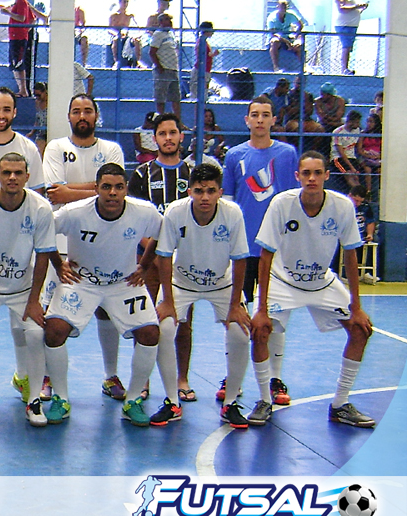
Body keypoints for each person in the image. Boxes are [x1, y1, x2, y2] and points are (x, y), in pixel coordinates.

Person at [247, 151, 375, 428]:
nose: (312, 178)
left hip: (321, 281)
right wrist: (261, 308)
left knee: (360, 330)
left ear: (327, 176)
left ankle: (340, 404)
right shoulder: (282, 203)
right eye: (306, 173)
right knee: (260, 330)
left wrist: (357, 306)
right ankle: (264, 400)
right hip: (283, 280)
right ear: (298, 177)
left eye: (318, 173)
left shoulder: (342, 206)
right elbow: (265, 255)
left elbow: (351, 254)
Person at [43, 162, 162, 427]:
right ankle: (61, 398)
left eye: (118, 187)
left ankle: (133, 400)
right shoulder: (74, 212)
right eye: (106, 187)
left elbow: (160, 235)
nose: (112, 193)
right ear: (96, 188)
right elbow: (44, 232)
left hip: (123, 283)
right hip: (82, 281)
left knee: (150, 333)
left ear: (126, 189)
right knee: (54, 330)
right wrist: (58, 264)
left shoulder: (144, 211)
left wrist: (144, 265)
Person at [40, 94, 127, 402]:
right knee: (52, 314)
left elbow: (113, 193)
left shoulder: (112, 149)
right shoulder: (56, 148)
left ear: (95, 115)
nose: (82, 116)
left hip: (105, 244)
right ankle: (46, 376)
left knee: (106, 310)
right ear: (68, 116)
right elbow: (55, 193)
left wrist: (71, 190)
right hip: (64, 245)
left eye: (87, 111)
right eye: (76, 110)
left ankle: (110, 375)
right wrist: (95, 189)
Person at [154, 163, 251, 427]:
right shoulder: (175, 212)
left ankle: (230, 402)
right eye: (199, 191)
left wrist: (235, 305)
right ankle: (172, 401)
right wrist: (168, 302)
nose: (205, 197)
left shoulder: (233, 214)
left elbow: (240, 259)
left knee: (240, 333)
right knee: (164, 330)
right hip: (181, 282)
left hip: (222, 283)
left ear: (220, 192)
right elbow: (163, 256)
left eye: (210, 191)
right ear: (189, 192)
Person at [0, 153, 56, 426]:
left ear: (27, 176)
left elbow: (43, 255)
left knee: (35, 334)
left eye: (18, 173)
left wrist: (34, 300)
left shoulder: (41, 208)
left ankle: (34, 400)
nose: (12, 177)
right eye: (6, 172)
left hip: (23, 289)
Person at [221, 95, 299, 405]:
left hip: (276, 250)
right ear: (247, 120)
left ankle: (275, 379)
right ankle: (234, 378)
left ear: (273, 120)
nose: (260, 120)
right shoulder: (234, 155)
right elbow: (227, 203)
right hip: (242, 249)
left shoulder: (287, 154)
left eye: (266, 114)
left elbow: (292, 201)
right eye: (255, 114)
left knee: (275, 316)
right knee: (238, 315)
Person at [127, 113, 194, 401]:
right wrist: (154, 254)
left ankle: (182, 379)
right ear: (154, 139)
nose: (168, 138)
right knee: (145, 320)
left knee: (183, 322)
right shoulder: (143, 174)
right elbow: (133, 220)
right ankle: (142, 380)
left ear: (181, 136)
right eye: (162, 134)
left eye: (172, 133)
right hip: (148, 261)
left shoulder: (192, 173)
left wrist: (176, 255)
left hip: (183, 262)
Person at [0, 0, 46, 97]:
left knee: (18, 63)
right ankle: (21, 89)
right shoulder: (19, 3)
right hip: (15, 37)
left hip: (18, 38)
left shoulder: (22, 2)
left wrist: (9, 13)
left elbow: (22, 18)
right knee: (15, 64)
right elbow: (32, 19)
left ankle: (23, 90)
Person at [149, 13, 180, 118]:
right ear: (161, 22)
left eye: (170, 19)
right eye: (167, 19)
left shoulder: (171, 34)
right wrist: (159, 66)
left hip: (173, 69)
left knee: (176, 97)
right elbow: (152, 52)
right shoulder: (158, 34)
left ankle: (177, 121)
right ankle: (161, 119)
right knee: (161, 97)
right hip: (163, 69)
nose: (170, 22)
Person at [331, 110, 363, 191]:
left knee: (355, 177)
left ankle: (361, 194)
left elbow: (359, 147)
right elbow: (341, 153)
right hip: (339, 158)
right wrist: (352, 167)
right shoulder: (338, 132)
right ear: (350, 122)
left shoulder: (358, 130)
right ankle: (358, 193)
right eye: (357, 122)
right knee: (349, 174)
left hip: (352, 157)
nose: (358, 124)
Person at [267, 0, 302, 73]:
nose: (283, 9)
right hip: (277, 39)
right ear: (277, 7)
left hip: (288, 38)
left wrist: (296, 36)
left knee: (299, 45)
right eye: (281, 7)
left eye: (285, 7)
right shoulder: (272, 17)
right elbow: (273, 33)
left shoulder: (291, 15)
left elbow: (300, 25)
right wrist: (287, 42)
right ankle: (276, 68)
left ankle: (303, 68)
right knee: (275, 42)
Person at [335, 0, 369, 75]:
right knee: (346, 47)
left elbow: (352, 11)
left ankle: (346, 68)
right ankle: (344, 69)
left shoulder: (352, 1)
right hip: (345, 25)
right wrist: (357, 6)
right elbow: (342, 9)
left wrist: (361, 9)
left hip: (352, 25)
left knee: (349, 47)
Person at [190, 21, 219, 102]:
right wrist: (213, 54)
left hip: (205, 69)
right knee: (197, 94)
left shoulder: (203, 42)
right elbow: (201, 56)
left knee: (203, 92)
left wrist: (212, 55)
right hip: (201, 70)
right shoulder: (201, 42)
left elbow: (205, 55)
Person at [109, 0, 142, 68]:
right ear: (120, 2)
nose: (125, 3)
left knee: (137, 41)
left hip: (128, 36)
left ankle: (138, 61)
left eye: (126, 2)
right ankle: (116, 61)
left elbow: (138, 27)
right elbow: (109, 29)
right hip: (116, 35)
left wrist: (136, 35)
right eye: (123, 1)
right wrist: (117, 34)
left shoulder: (130, 15)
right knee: (116, 40)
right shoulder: (114, 15)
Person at [357, 112, 381, 193]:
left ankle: (380, 190)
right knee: (367, 169)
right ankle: (368, 191)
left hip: (378, 157)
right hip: (366, 156)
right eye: (367, 121)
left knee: (380, 170)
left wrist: (378, 156)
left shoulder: (380, 134)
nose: (369, 124)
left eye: (371, 122)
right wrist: (368, 156)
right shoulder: (363, 133)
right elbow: (359, 149)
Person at [29, 82, 49, 156]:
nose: (37, 97)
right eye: (35, 95)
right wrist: (31, 132)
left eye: (38, 95)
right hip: (41, 132)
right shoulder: (37, 102)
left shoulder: (51, 102)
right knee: (38, 153)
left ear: (45, 92)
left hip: (50, 130)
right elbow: (37, 119)